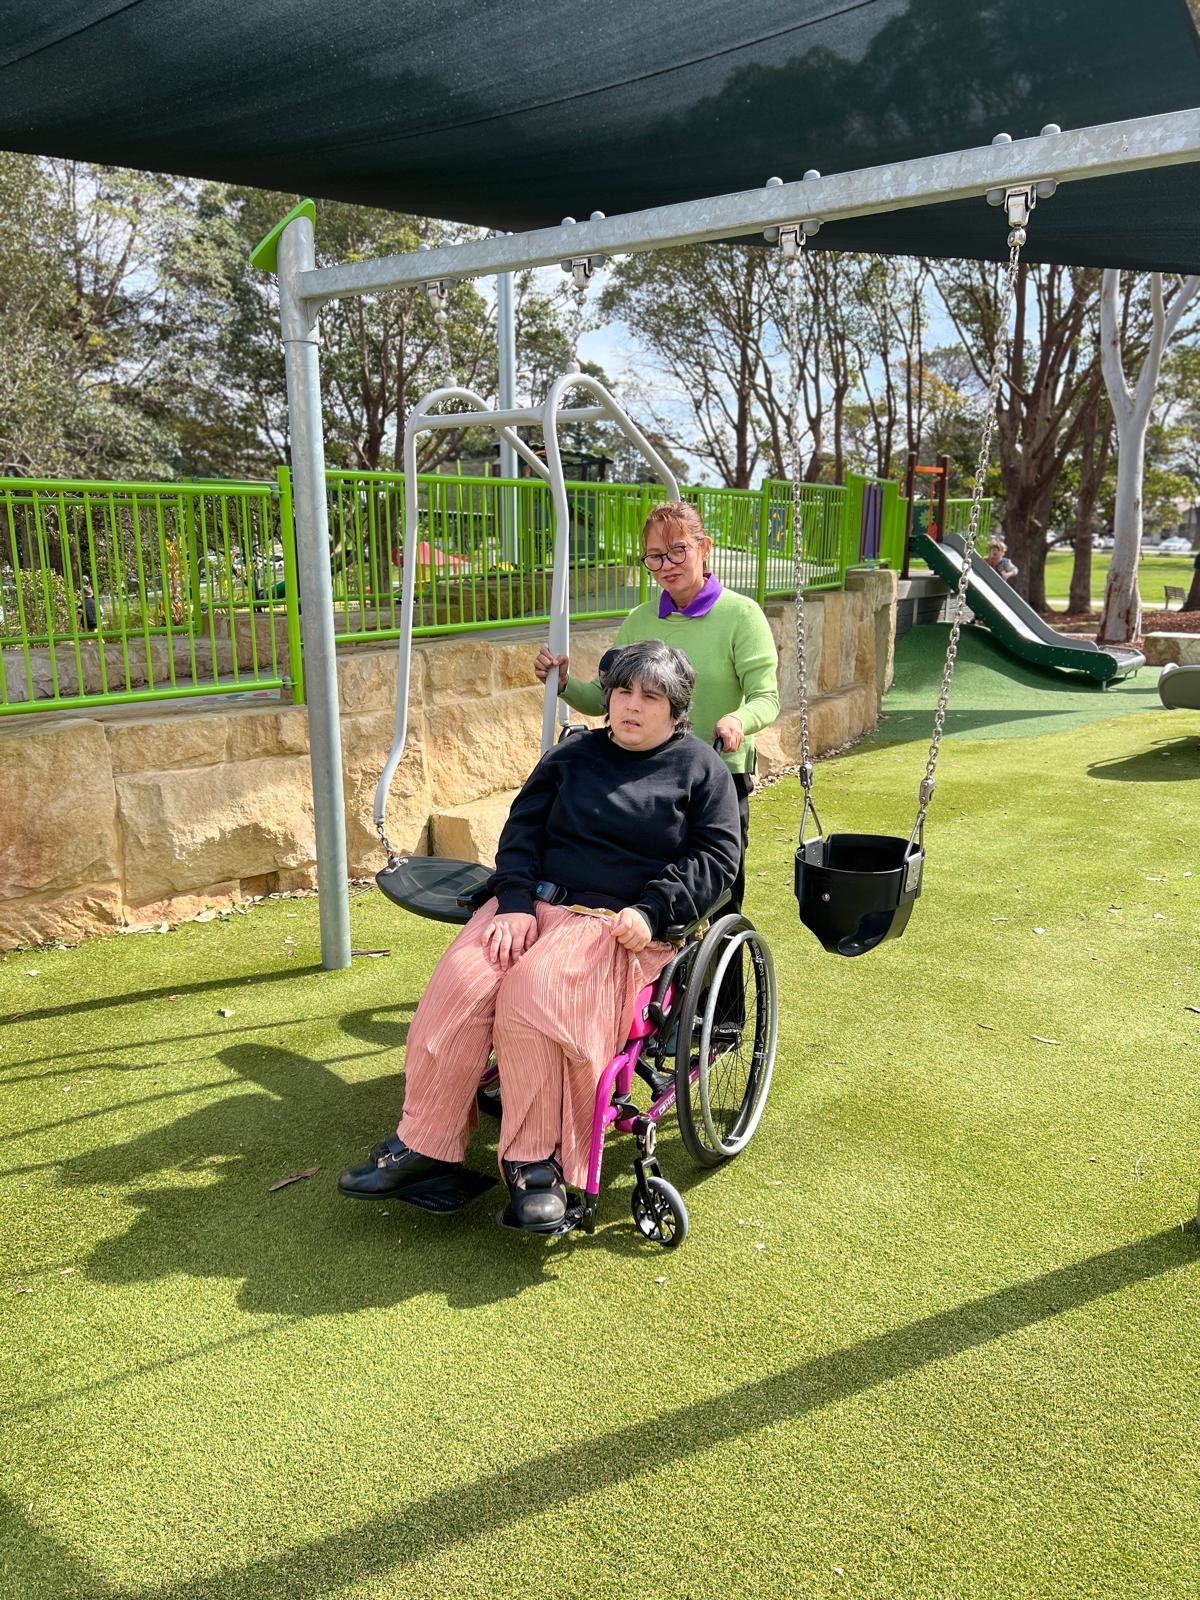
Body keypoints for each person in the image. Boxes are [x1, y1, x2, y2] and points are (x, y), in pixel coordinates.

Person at [339, 640, 741, 1231]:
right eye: (623, 691)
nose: (630, 705)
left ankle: (536, 1163)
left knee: (536, 996)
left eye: (649, 697)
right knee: (461, 986)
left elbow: (717, 858)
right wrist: (516, 902)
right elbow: (522, 829)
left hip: (614, 924)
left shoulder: (700, 769)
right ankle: (426, 1145)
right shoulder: (573, 754)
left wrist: (654, 912)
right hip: (533, 906)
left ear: (676, 710)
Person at [534, 500, 778, 913]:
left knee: (714, 900)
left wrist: (739, 719)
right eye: (655, 556)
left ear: (705, 547)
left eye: (678, 550)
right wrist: (561, 682)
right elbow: (603, 699)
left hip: (715, 778)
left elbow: (766, 697)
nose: (667, 564)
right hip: (647, 778)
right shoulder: (640, 618)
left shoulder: (742, 615)